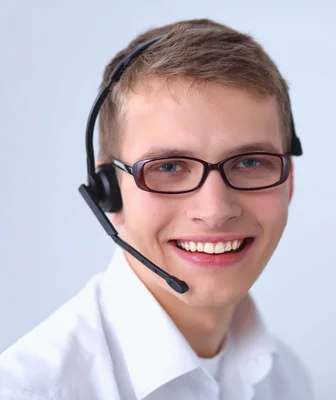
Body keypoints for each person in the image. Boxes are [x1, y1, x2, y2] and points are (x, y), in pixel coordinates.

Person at [0, 18, 313, 399]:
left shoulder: (286, 378)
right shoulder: (29, 390)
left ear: (289, 181)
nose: (214, 211)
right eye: (168, 167)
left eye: (249, 162)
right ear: (108, 192)